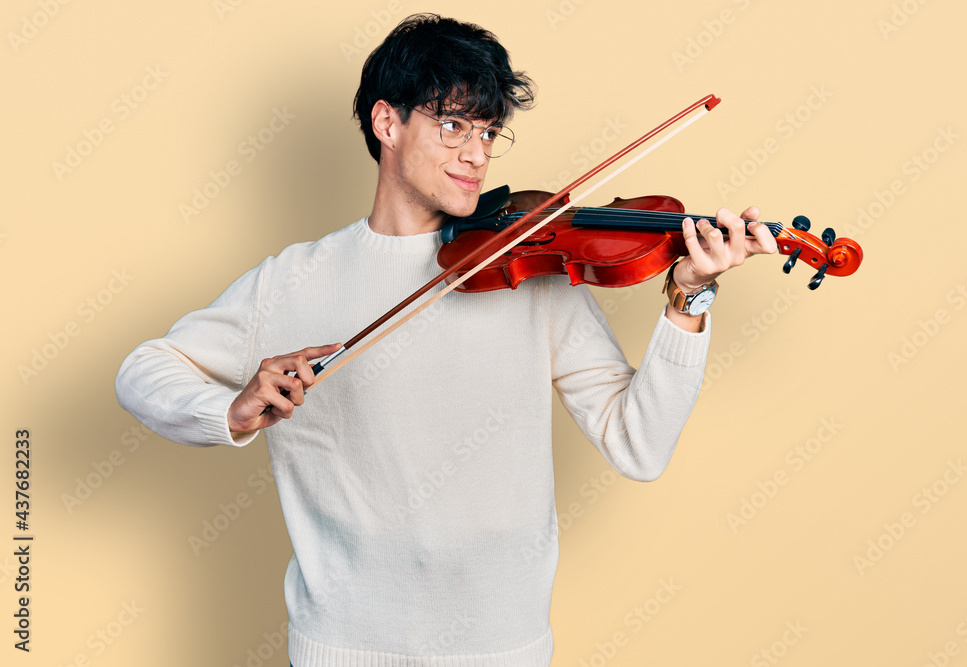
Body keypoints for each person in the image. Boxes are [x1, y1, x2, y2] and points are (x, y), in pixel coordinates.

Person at [115, 13, 777, 667]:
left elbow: (641, 446)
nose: (478, 154)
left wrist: (688, 293)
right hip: (340, 649)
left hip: (501, 651)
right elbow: (142, 371)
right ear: (387, 123)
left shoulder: (533, 268)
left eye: (489, 131)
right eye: (453, 124)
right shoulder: (291, 280)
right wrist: (230, 410)